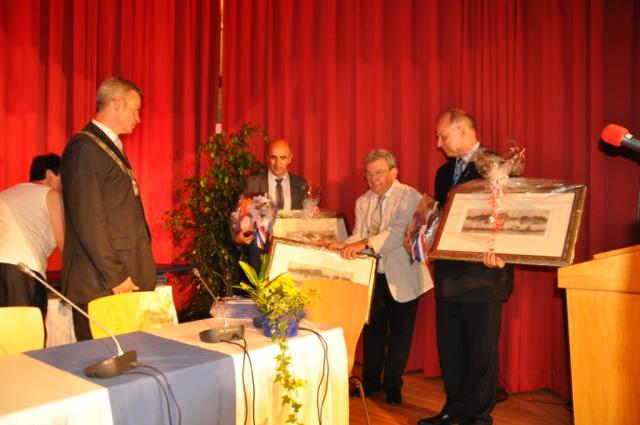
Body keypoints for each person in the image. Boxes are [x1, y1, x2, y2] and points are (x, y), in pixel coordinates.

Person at [417, 109, 513, 425]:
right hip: (449, 275)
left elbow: (509, 215)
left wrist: (500, 249)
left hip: (484, 274)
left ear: (463, 130)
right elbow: (442, 219)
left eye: (442, 135)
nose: (438, 142)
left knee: (481, 352)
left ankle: (478, 416)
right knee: (451, 349)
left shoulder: (496, 165)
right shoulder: (444, 173)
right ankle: (454, 408)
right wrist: (423, 238)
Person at [326, 149, 433, 405]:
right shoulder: (363, 201)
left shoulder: (410, 196)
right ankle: (371, 382)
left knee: (400, 334)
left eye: (379, 172)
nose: (373, 179)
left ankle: (393, 385)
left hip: (404, 276)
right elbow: (359, 234)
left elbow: (396, 234)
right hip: (373, 276)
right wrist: (340, 244)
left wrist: (361, 244)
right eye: (369, 174)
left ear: (394, 172)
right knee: (373, 332)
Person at [61, 77, 156, 341]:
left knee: (131, 358)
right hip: (102, 284)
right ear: (117, 103)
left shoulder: (104, 146)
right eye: (135, 110)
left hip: (117, 280)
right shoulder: (85, 148)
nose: (138, 118)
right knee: (105, 361)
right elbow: (89, 220)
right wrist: (116, 276)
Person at [0, 154, 65, 316]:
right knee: (28, 329)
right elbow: (65, 244)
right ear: (50, 175)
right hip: (21, 271)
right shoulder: (52, 195)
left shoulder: (5, 194)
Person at [234, 139, 308, 270]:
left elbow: (304, 218)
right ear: (267, 157)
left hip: (292, 250)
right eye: (273, 158)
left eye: (283, 158)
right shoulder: (252, 182)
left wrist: (312, 215)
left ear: (290, 158)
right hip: (260, 250)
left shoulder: (301, 185)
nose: (278, 163)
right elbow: (236, 214)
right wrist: (237, 236)